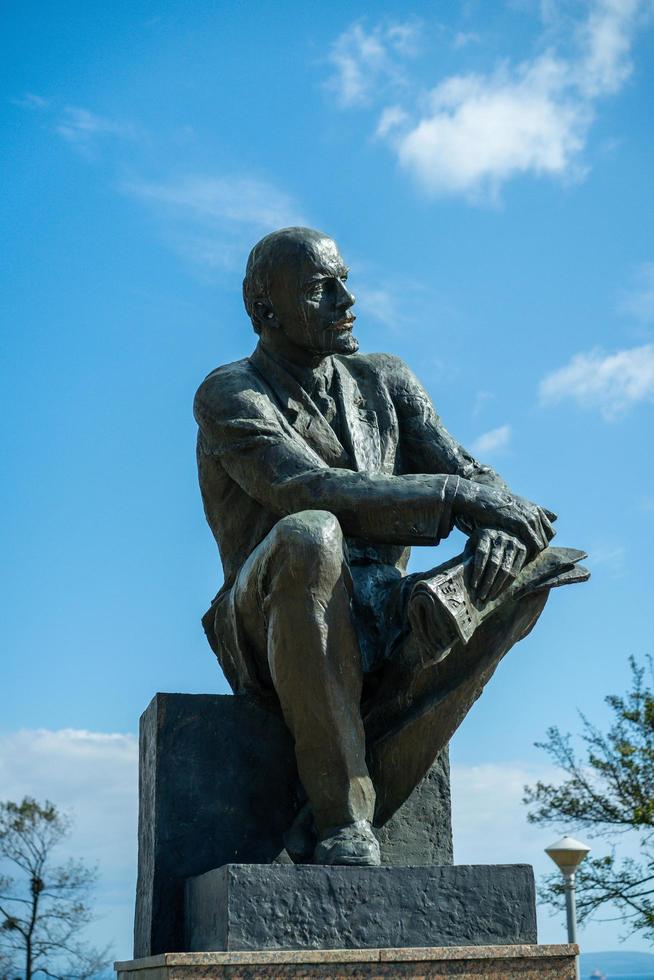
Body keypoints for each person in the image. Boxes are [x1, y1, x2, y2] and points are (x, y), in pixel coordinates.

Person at [194, 226, 587, 866]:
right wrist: (460, 499)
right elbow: (303, 488)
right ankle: (341, 816)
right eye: (322, 289)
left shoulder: (385, 380)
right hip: (273, 614)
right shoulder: (230, 394)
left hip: (383, 603)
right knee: (310, 532)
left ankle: (426, 637)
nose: (348, 301)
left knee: (538, 567)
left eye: (346, 280)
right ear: (265, 310)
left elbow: (472, 473)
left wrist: (496, 526)